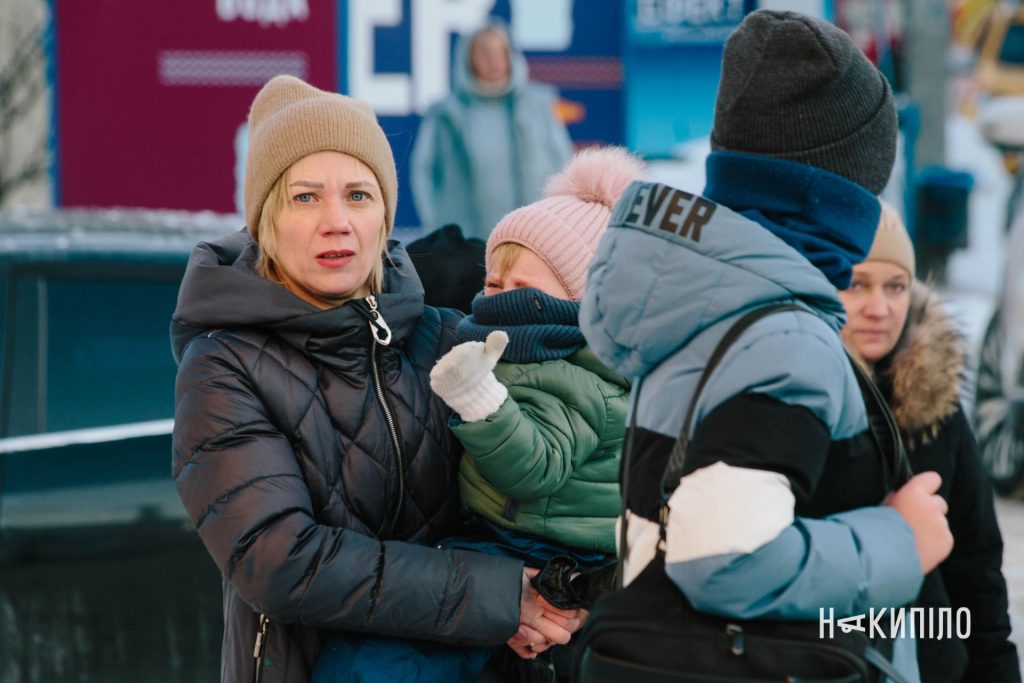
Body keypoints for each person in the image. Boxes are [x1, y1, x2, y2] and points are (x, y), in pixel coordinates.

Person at [578, 10, 953, 682]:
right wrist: (901, 539)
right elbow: (721, 557)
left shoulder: (705, 302)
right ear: (840, 189)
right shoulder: (783, 336)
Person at [170, 74, 580, 683]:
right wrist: (498, 596)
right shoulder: (225, 363)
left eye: (358, 195)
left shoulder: (445, 336)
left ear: (386, 211)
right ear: (265, 221)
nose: (337, 221)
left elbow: (534, 490)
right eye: (306, 197)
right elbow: (283, 563)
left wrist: (550, 598)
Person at [313, 145, 643, 683]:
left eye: (524, 290)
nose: (499, 300)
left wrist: (481, 401)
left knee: (394, 656)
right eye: (492, 285)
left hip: (543, 551)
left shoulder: (586, 381)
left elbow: (535, 467)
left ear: (587, 303)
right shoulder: (520, 351)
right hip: (497, 537)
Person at [839, 202, 1021, 682]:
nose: (879, 308)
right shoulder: (800, 405)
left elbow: (976, 567)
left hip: (934, 661)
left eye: (895, 286)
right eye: (858, 284)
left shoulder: (936, 404)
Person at [411, 19, 573, 240]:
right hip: (465, 244)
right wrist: (438, 228)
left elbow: (563, 162)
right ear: (468, 59)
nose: (493, 61)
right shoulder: (446, 114)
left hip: (534, 237)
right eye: (484, 53)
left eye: (500, 52)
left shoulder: (539, 106)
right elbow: (423, 172)